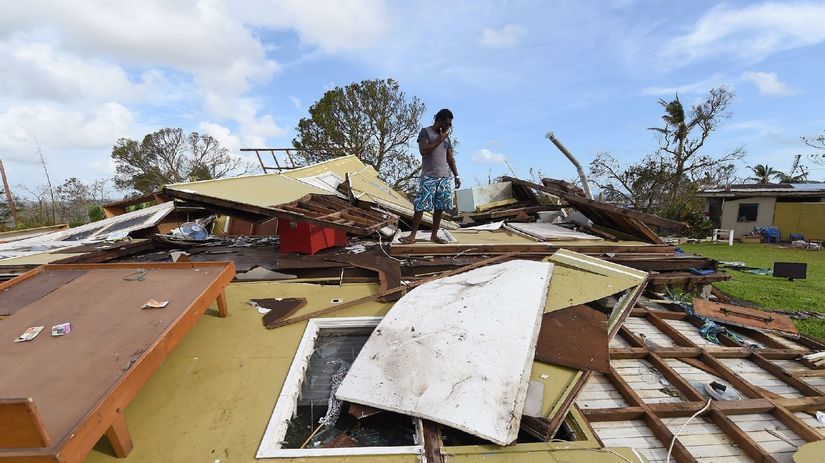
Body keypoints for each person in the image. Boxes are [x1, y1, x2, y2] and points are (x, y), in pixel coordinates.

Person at [400, 108, 460, 244]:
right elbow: (423, 150)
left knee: (439, 207)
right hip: (429, 177)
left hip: (444, 177)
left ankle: (434, 235)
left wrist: (456, 175)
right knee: (420, 206)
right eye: (447, 123)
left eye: (450, 125)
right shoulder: (425, 132)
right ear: (439, 121)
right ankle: (412, 236)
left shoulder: (446, 138)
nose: (448, 127)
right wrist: (439, 140)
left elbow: (450, 158)